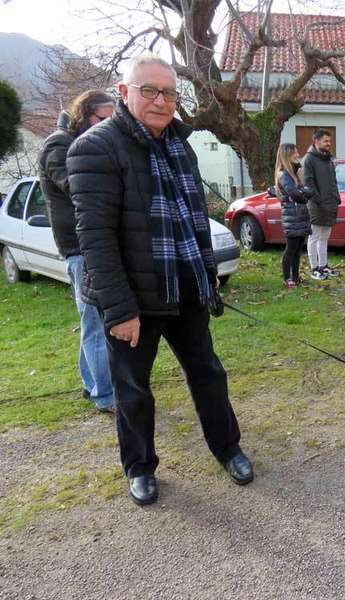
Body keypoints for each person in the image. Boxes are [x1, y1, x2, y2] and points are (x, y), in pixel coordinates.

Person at [67, 55, 252, 506]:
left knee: (208, 373)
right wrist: (119, 309)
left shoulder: (180, 143)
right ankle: (140, 468)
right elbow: (95, 238)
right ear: (123, 92)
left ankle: (228, 448)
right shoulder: (95, 147)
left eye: (168, 92)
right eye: (148, 90)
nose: (160, 101)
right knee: (132, 389)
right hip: (133, 299)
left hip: (183, 288)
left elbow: (192, 221)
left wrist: (207, 281)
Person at [38, 90, 116, 413]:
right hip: (81, 247)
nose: (107, 126)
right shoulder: (58, 145)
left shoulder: (78, 144)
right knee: (96, 323)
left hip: (89, 245)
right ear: (83, 115)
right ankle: (106, 396)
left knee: (92, 320)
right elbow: (78, 186)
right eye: (102, 119)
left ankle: (91, 384)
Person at [302, 129, 341, 279]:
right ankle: (314, 269)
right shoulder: (309, 160)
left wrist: (336, 198)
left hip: (330, 204)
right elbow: (309, 184)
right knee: (314, 237)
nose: (329, 144)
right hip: (316, 206)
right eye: (326, 141)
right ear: (316, 141)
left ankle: (323, 266)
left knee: (325, 237)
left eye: (329, 141)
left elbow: (333, 182)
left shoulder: (328, 160)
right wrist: (319, 201)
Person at [275, 143, 311, 287]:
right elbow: (296, 194)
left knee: (297, 250)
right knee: (291, 249)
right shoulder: (283, 174)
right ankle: (286, 278)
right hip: (292, 216)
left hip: (299, 215)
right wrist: (303, 194)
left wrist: (303, 193)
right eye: (295, 153)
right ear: (287, 155)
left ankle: (295, 277)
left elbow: (307, 191)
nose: (298, 155)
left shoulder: (294, 173)